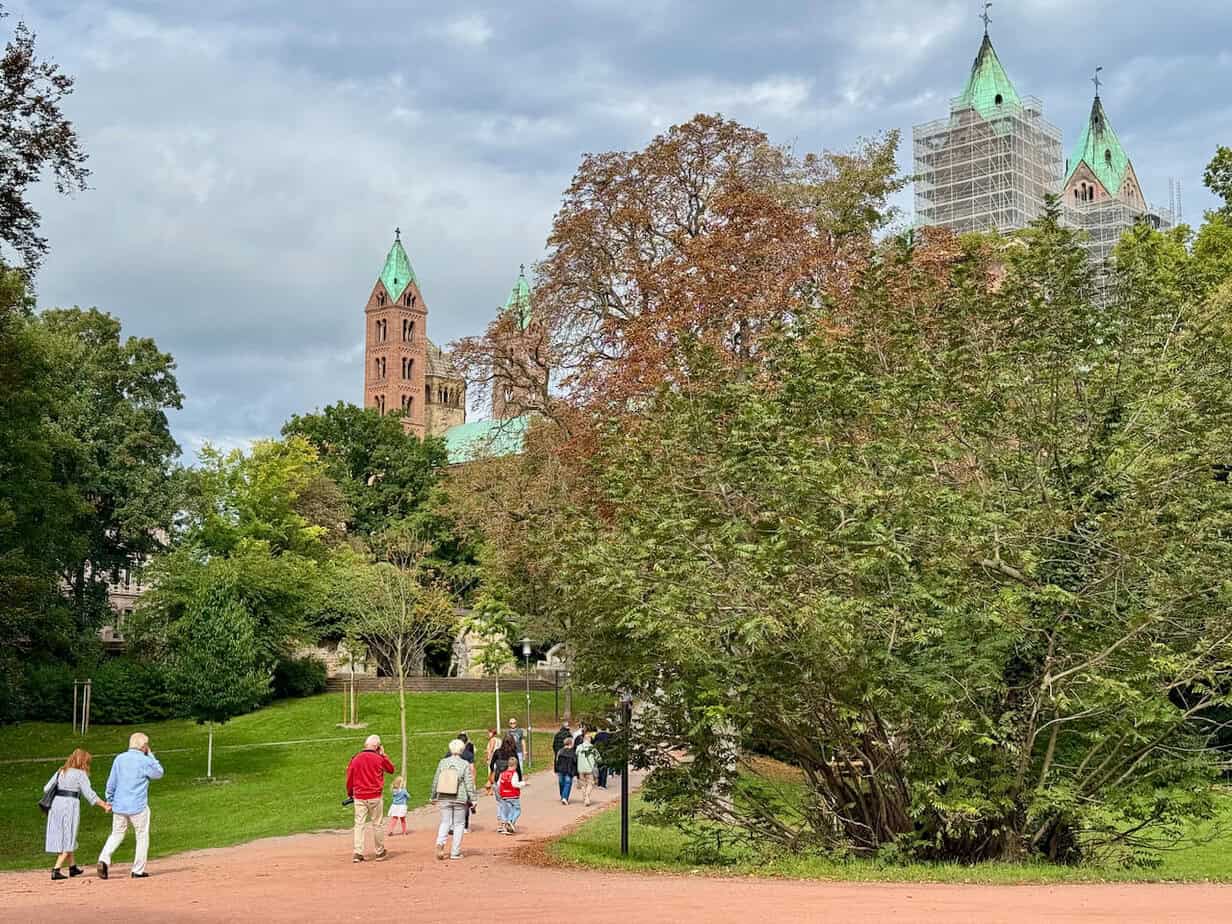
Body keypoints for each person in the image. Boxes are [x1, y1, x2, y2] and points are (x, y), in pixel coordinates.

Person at [97, 732, 163, 880]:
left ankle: (104, 858)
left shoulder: (119, 759)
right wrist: (151, 755)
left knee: (116, 834)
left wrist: (110, 799)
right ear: (144, 746)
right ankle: (137, 870)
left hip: (119, 805)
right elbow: (159, 773)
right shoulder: (144, 761)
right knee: (141, 836)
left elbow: (111, 782)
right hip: (137, 805)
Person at [43, 749, 110, 880]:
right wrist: (104, 805)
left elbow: (46, 788)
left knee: (63, 834)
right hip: (70, 805)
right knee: (70, 835)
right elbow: (89, 794)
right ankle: (56, 869)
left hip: (56, 805)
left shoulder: (61, 771)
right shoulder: (80, 774)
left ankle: (73, 867)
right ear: (83, 762)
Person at [345, 734, 395, 863]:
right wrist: (384, 755)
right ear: (377, 747)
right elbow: (391, 769)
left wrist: (350, 792)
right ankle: (379, 852)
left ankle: (358, 852)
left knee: (359, 825)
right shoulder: (379, 758)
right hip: (375, 796)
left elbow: (350, 777)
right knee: (377, 824)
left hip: (360, 796)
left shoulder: (355, 758)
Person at [431, 738, 476, 860]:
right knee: (459, 824)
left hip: (444, 796)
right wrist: (473, 799)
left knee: (445, 822)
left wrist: (433, 796)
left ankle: (440, 843)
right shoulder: (464, 764)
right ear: (461, 750)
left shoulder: (443, 762)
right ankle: (455, 852)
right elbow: (468, 783)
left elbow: (436, 779)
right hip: (459, 797)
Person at [495, 756, 525, 834]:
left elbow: (498, 784)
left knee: (506, 810)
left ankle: (505, 825)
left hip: (504, 795)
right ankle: (511, 821)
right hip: (513, 795)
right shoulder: (514, 774)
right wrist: (522, 783)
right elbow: (514, 784)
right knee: (517, 809)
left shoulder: (502, 774)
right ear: (515, 765)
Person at [575, 732, 599, 807]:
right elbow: (598, 757)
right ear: (589, 739)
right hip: (589, 768)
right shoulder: (592, 747)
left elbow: (576, 754)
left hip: (581, 768)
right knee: (590, 783)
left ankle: (584, 797)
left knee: (583, 784)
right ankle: (587, 797)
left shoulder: (579, 747)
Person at [554, 737, 577, 805]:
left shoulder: (560, 751)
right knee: (567, 783)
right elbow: (575, 761)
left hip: (561, 770)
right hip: (569, 770)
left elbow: (556, 760)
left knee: (561, 783)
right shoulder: (573, 752)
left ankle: (563, 796)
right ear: (571, 743)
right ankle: (564, 797)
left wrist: (556, 769)